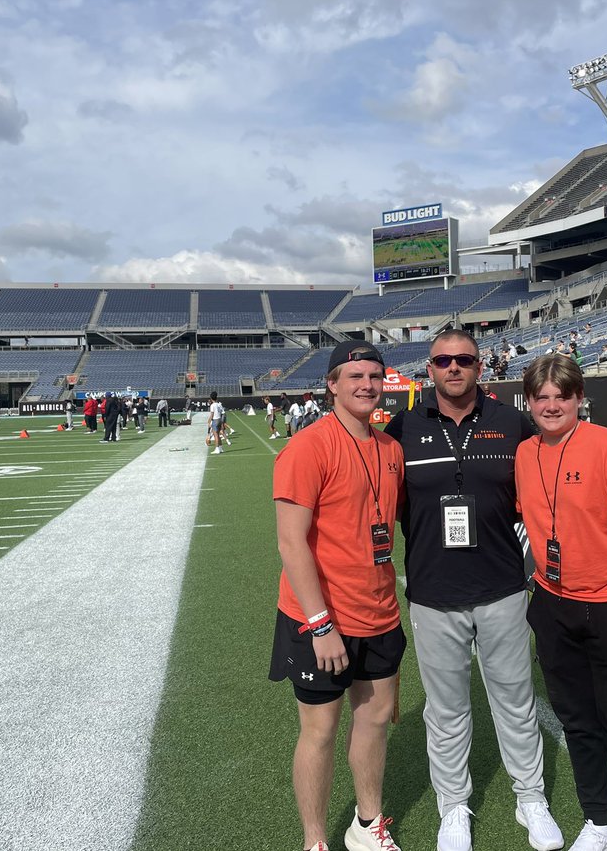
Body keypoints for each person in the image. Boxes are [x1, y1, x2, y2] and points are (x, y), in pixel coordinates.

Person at [384, 330, 562, 851]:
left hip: (503, 587)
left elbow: (544, 490)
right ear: (430, 368)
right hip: (434, 593)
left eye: (464, 359)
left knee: (515, 700)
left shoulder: (512, 423)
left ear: (481, 366)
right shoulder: (403, 428)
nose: (454, 368)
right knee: (446, 710)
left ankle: (530, 799)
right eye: (443, 360)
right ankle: (454, 807)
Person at [515, 355, 607, 851]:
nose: (551, 405)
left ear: (579, 399)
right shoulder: (524, 454)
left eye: (562, 395)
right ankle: (597, 821)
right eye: (542, 396)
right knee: (577, 721)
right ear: (529, 402)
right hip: (553, 606)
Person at [269, 340, 406, 851]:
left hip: (380, 612)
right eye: (355, 376)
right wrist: (322, 624)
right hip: (320, 620)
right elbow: (290, 542)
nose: (367, 384)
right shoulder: (308, 445)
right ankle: (315, 840)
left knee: (372, 721)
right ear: (332, 384)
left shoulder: (390, 448)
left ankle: (368, 826)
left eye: (375, 375)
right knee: (320, 731)